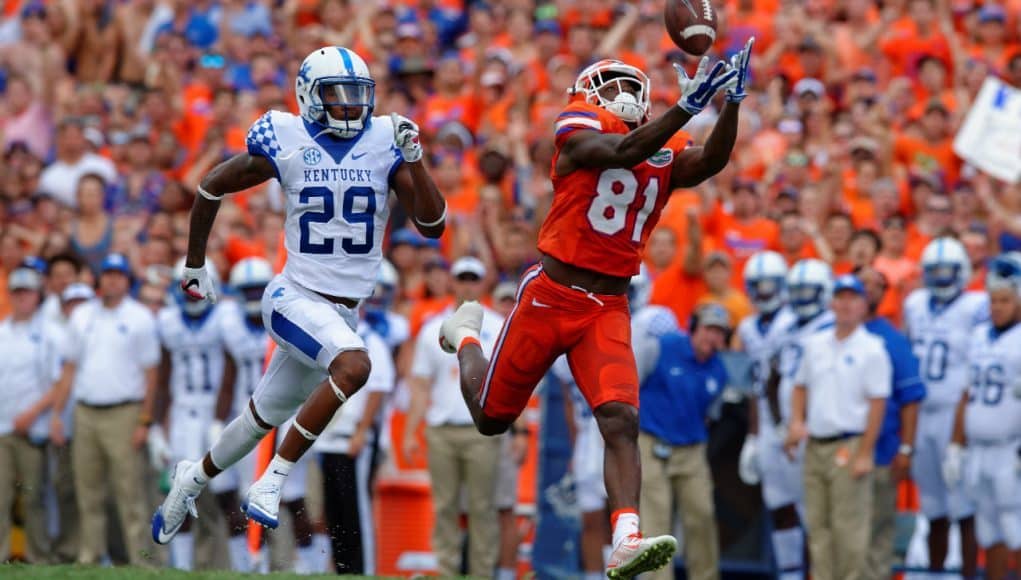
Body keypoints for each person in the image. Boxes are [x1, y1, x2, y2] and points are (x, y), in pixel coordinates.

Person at [437, 39, 756, 579]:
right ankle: (467, 335)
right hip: (549, 295)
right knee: (492, 419)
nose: (623, 94)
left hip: (607, 304)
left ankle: (626, 536)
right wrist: (687, 108)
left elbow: (711, 160)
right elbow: (615, 154)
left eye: (633, 86)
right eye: (612, 85)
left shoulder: (663, 145)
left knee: (621, 418)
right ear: (585, 93)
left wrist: (731, 104)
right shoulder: (578, 131)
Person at [150, 45, 446, 544]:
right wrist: (196, 262)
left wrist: (416, 162)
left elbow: (433, 225)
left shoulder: (385, 139)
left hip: (342, 312)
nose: (352, 107)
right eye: (339, 96)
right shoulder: (285, 136)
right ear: (310, 96)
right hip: (294, 296)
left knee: (256, 420)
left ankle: (191, 479)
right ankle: (273, 481)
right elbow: (210, 185)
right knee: (354, 367)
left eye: (359, 96)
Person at [48, 253, 161, 565]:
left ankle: (140, 558)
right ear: (100, 280)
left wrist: (144, 419)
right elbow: (69, 369)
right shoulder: (82, 315)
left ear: (127, 281)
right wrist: (58, 414)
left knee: (129, 491)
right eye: (107, 274)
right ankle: (90, 555)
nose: (112, 280)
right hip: (85, 412)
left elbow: (151, 375)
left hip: (124, 412)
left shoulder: (139, 317)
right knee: (89, 489)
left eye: (118, 275)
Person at [785, 274, 891, 580]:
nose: (845, 305)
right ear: (831, 303)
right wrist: (796, 422)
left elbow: (877, 403)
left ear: (862, 305)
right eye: (840, 298)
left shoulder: (872, 348)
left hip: (850, 442)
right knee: (818, 526)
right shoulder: (815, 343)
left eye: (852, 298)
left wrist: (866, 452)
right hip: (817, 442)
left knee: (849, 528)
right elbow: (799, 385)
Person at [405, 257, 506, 577]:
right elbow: (420, 385)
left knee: (482, 508)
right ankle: (448, 572)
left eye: (472, 279)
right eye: (462, 279)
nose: (467, 285)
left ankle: (481, 573)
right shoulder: (433, 327)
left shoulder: (497, 324)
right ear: (452, 282)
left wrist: (515, 431)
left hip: (482, 430)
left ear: (483, 283)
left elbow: (508, 383)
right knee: (445, 507)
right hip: (442, 428)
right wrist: (411, 431)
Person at [149, 258, 245, 570]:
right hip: (181, 415)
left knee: (226, 494)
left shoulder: (225, 318)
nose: (193, 296)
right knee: (179, 493)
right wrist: (155, 427)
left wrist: (219, 420)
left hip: (215, 413)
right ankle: (181, 568)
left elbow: (230, 373)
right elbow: (163, 379)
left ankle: (244, 566)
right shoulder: (167, 321)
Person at [903, 237, 988, 576]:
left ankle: (967, 573)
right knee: (933, 505)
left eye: (946, 271)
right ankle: (936, 573)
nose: (940, 278)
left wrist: (960, 435)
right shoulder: (915, 303)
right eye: (933, 271)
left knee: (964, 505)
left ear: (963, 271)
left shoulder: (976, 306)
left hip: (957, 414)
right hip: (923, 414)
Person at [635, 303, 730, 580]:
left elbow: (711, 414)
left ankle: (706, 575)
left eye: (719, 332)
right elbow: (633, 382)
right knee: (656, 519)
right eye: (708, 329)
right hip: (652, 441)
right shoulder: (661, 347)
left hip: (691, 449)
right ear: (693, 328)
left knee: (701, 515)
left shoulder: (719, 371)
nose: (712, 338)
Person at [943, 253, 1021, 580]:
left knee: (1015, 526)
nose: (997, 307)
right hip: (980, 448)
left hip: (1011, 449)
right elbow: (966, 394)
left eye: (1004, 300)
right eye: (993, 300)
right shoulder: (977, 336)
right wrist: (955, 445)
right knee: (987, 531)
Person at [734, 251, 801, 580]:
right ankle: (790, 572)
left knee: (807, 503)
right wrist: (752, 435)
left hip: (796, 418)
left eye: (768, 286)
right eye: (756, 287)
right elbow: (751, 385)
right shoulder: (747, 327)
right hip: (765, 420)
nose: (762, 293)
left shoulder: (795, 320)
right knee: (778, 502)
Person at [856, 265, 926, 579]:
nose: (869, 288)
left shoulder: (892, 339)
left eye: (877, 284)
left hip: (882, 451)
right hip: (839, 450)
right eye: (863, 283)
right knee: (837, 535)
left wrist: (907, 448)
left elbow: (910, 398)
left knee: (877, 538)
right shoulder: (832, 332)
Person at [314, 307, 395, 575]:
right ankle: (342, 569)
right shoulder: (330, 340)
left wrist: (362, 430)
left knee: (355, 510)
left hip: (352, 437)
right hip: (328, 438)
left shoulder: (371, 341)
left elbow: (379, 387)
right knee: (334, 511)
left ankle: (364, 570)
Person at [0, 267, 64, 563]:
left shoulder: (50, 334)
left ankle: (39, 555)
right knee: (1, 497)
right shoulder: (2, 331)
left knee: (34, 495)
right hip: (2, 426)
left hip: (32, 426)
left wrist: (34, 413)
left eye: (26, 293)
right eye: (16, 293)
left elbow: (58, 382)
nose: (21, 298)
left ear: (37, 296)